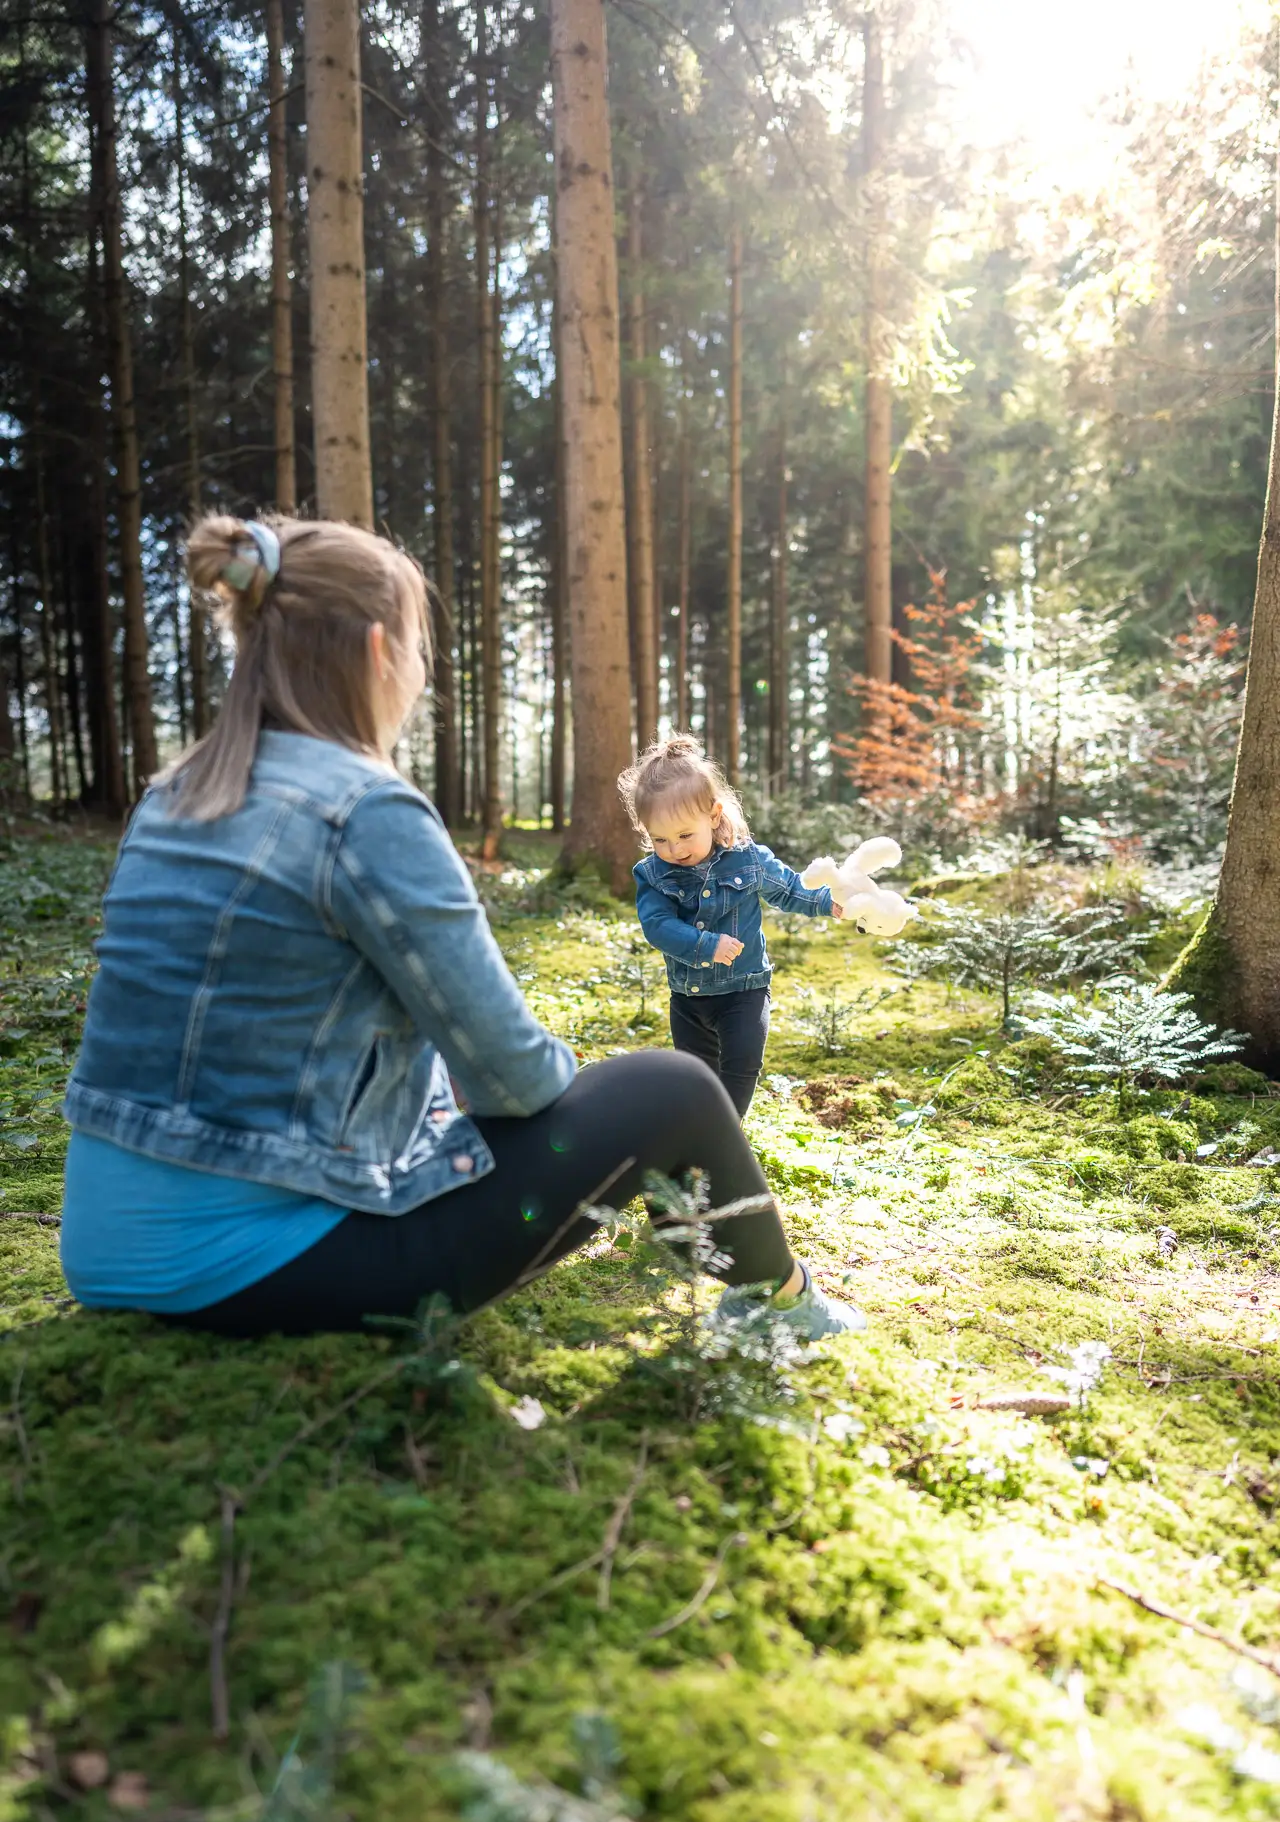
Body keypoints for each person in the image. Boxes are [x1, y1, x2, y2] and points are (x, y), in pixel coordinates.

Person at [60, 514, 864, 1340]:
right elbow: (517, 1083)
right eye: (418, 649)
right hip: (254, 1268)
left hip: (98, 1249)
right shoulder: (366, 812)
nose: (420, 672)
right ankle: (781, 1299)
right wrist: (584, 1110)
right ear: (380, 652)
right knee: (678, 1088)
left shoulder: (170, 797)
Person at [619, 736, 842, 1120]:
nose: (674, 848)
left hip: (745, 990)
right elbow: (657, 925)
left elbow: (789, 890)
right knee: (697, 1077)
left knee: (740, 1069)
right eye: (660, 839)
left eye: (685, 835)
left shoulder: (749, 860)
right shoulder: (653, 875)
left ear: (713, 814)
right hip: (689, 998)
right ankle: (696, 1139)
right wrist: (705, 945)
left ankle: (723, 1136)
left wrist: (827, 901)